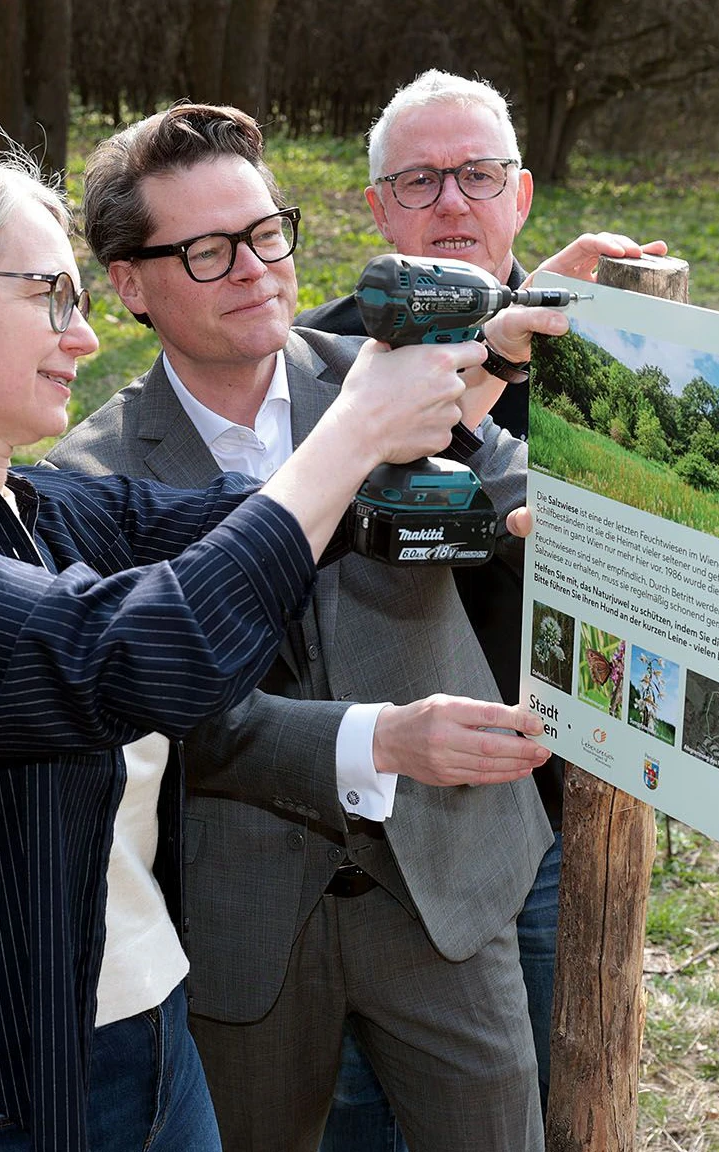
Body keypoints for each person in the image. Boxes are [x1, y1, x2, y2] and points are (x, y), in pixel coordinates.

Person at [0, 152, 523, 1152]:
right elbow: (152, 651)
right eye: (50, 297)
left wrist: (454, 412)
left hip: (151, 1030)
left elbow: (254, 522)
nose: (82, 336)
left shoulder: (36, 506)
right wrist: (353, 430)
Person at [50, 102, 556, 1152]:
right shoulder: (88, 482)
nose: (253, 270)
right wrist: (378, 738)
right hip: (239, 918)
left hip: (446, 886)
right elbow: (170, 709)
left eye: (264, 233)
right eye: (204, 250)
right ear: (128, 285)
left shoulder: (402, 375)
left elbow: (518, 501)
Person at [294, 70, 665, 1147]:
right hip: (372, 832)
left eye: (476, 175)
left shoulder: (613, 360)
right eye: (416, 181)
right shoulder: (321, 368)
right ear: (375, 209)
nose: (450, 203)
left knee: (540, 1102)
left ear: (523, 193)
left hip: (555, 812)